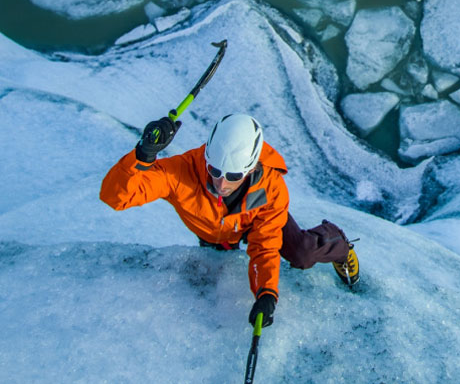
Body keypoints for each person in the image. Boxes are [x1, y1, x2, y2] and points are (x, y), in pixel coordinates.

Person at [100, 112, 359, 328]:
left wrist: (266, 292)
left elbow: (265, 245)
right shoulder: (181, 172)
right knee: (214, 278)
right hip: (217, 232)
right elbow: (115, 197)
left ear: (251, 167)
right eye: (214, 171)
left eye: (234, 175)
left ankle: (338, 245)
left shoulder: (270, 187)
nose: (222, 183)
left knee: (301, 253)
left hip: (257, 218)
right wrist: (143, 157)